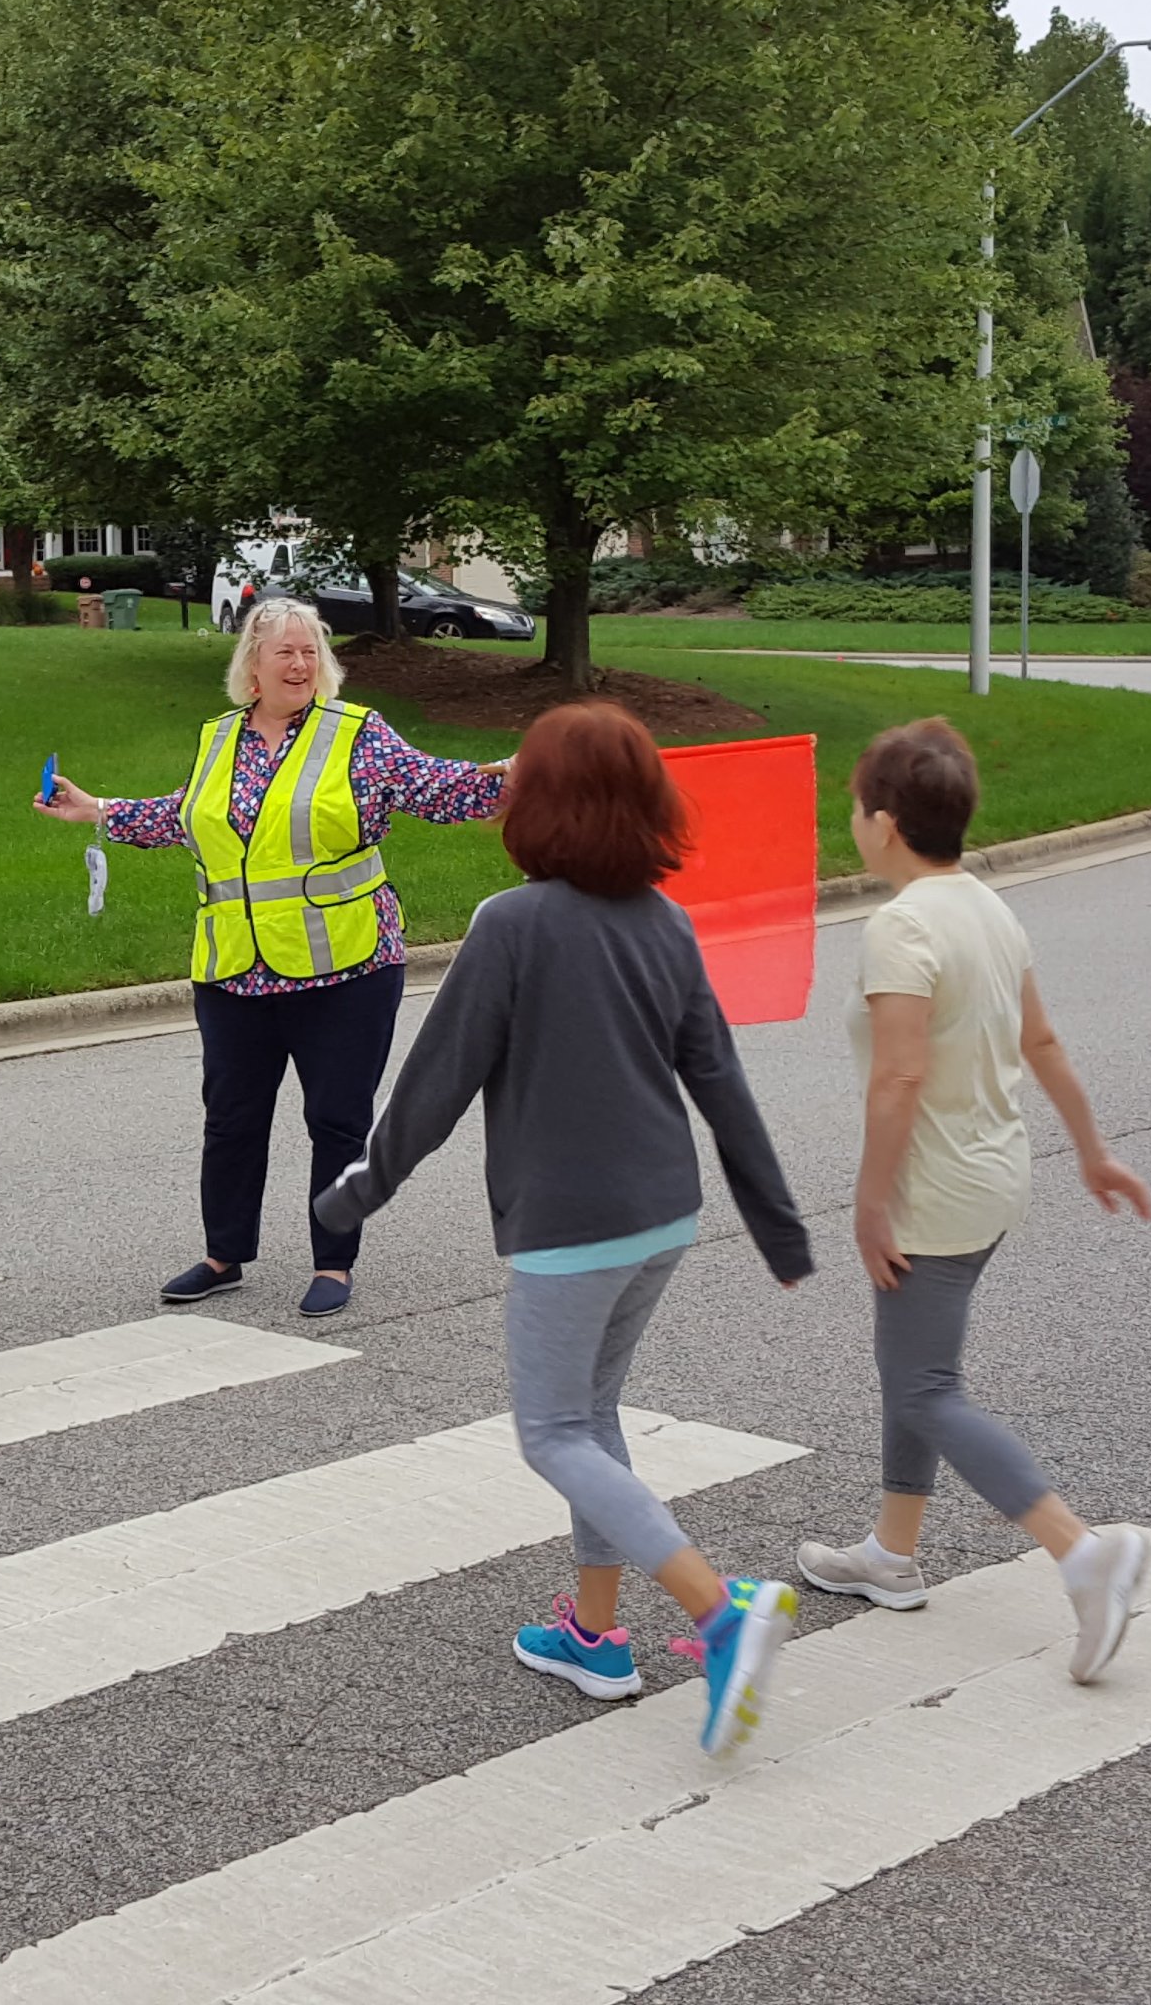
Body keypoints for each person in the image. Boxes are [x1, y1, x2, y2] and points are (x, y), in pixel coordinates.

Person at [312, 702, 809, 1759]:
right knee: (592, 1417)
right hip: (661, 1214)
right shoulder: (663, 922)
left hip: (570, 1224)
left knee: (550, 1434)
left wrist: (362, 1188)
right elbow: (716, 1079)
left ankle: (724, 1616)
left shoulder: (513, 925)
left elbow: (435, 1083)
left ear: (532, 803)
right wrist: (775, 1224)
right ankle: (590, 1633)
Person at [794, 720, 1151, 1681]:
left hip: (934, 1190)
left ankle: (1082, 1553)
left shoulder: (901, 926)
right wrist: (1093, 1152)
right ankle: (891, 1552)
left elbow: (898, 1080)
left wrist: (870, 1206)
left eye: (854, 809)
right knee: (915, 1368)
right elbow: (1042, 1044)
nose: (851, 822)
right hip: (996, 1177)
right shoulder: (988, 909)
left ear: (882, 822)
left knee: (926, 1386)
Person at [35, 594, 506, 1316]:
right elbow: (184, 816)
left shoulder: (359, 734)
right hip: (234, 971)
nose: (299, 662)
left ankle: (333, 1262)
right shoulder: (218, 737)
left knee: (338, 1119)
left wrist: (510, 777)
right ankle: (223, 1254)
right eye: (283, 650)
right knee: (231, 1117)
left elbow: (437, 789)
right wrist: (98, 809)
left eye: (310, 649)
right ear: (251, 665)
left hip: (346, 967)